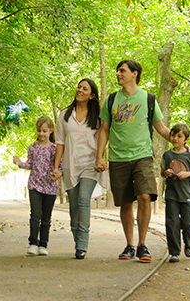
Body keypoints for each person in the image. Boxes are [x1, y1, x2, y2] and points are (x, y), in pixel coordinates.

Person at [95, 60, 170, 262]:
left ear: (134, 74)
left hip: (142, 156)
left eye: (122, 71)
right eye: (118, 71)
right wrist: (99, 156)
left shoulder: (148, 99)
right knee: (126, 202)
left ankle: (142, 244)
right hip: (118, 158)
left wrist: (180, 141)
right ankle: (129, 245)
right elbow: (104, 130)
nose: (118, 74)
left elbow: (161, 128)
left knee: (145, 196)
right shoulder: (111, 100)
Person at [50, 78, 106, 259]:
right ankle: (78, 239)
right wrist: (56, 167)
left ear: (92, 96)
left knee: (83, 200)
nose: (80, 90)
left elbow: (102, 139)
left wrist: (100, 158)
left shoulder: (97, 117)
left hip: (90, 164)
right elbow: (60, 143)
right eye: (79, 87)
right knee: (74, 207)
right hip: (70, 165)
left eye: (85, 88)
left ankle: (82, 245)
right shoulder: (65, 115)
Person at [13, 116, 58, 256]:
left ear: (51, 131)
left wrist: (58, 174)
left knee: (46, 218)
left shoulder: (55, 148)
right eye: (39, 131)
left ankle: (43, 244)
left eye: (44, 131)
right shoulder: (33, 147)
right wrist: (20, 163)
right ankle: (33, 243)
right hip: (35, 186)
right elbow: (30, 164)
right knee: (35, 215)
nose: (41, 134)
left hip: (50, 187)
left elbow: (60, 167)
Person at [160, 123, 190, 263]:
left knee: (189, 223)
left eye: (179, 136)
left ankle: (188, 240)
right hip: (171, 195)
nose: (175, 138)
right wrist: (166, 172)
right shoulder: (167, 155)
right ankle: (174, 252)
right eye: (173, 135)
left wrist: (187, 174)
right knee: (172, 224)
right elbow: (162, 172)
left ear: (186, 139)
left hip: (186, 194)